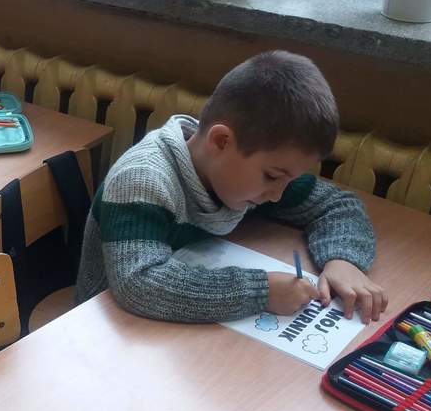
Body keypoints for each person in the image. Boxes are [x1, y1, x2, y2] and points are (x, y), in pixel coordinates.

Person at [77, 50, 388, 324]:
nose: (277, 194)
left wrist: (342, 260)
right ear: (221, 141)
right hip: (105, 332)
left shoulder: (244, 173)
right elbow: (139, 284)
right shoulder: (142, 180)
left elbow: (338, 205)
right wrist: (261, 292)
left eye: (288, 180)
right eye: (272, 177)